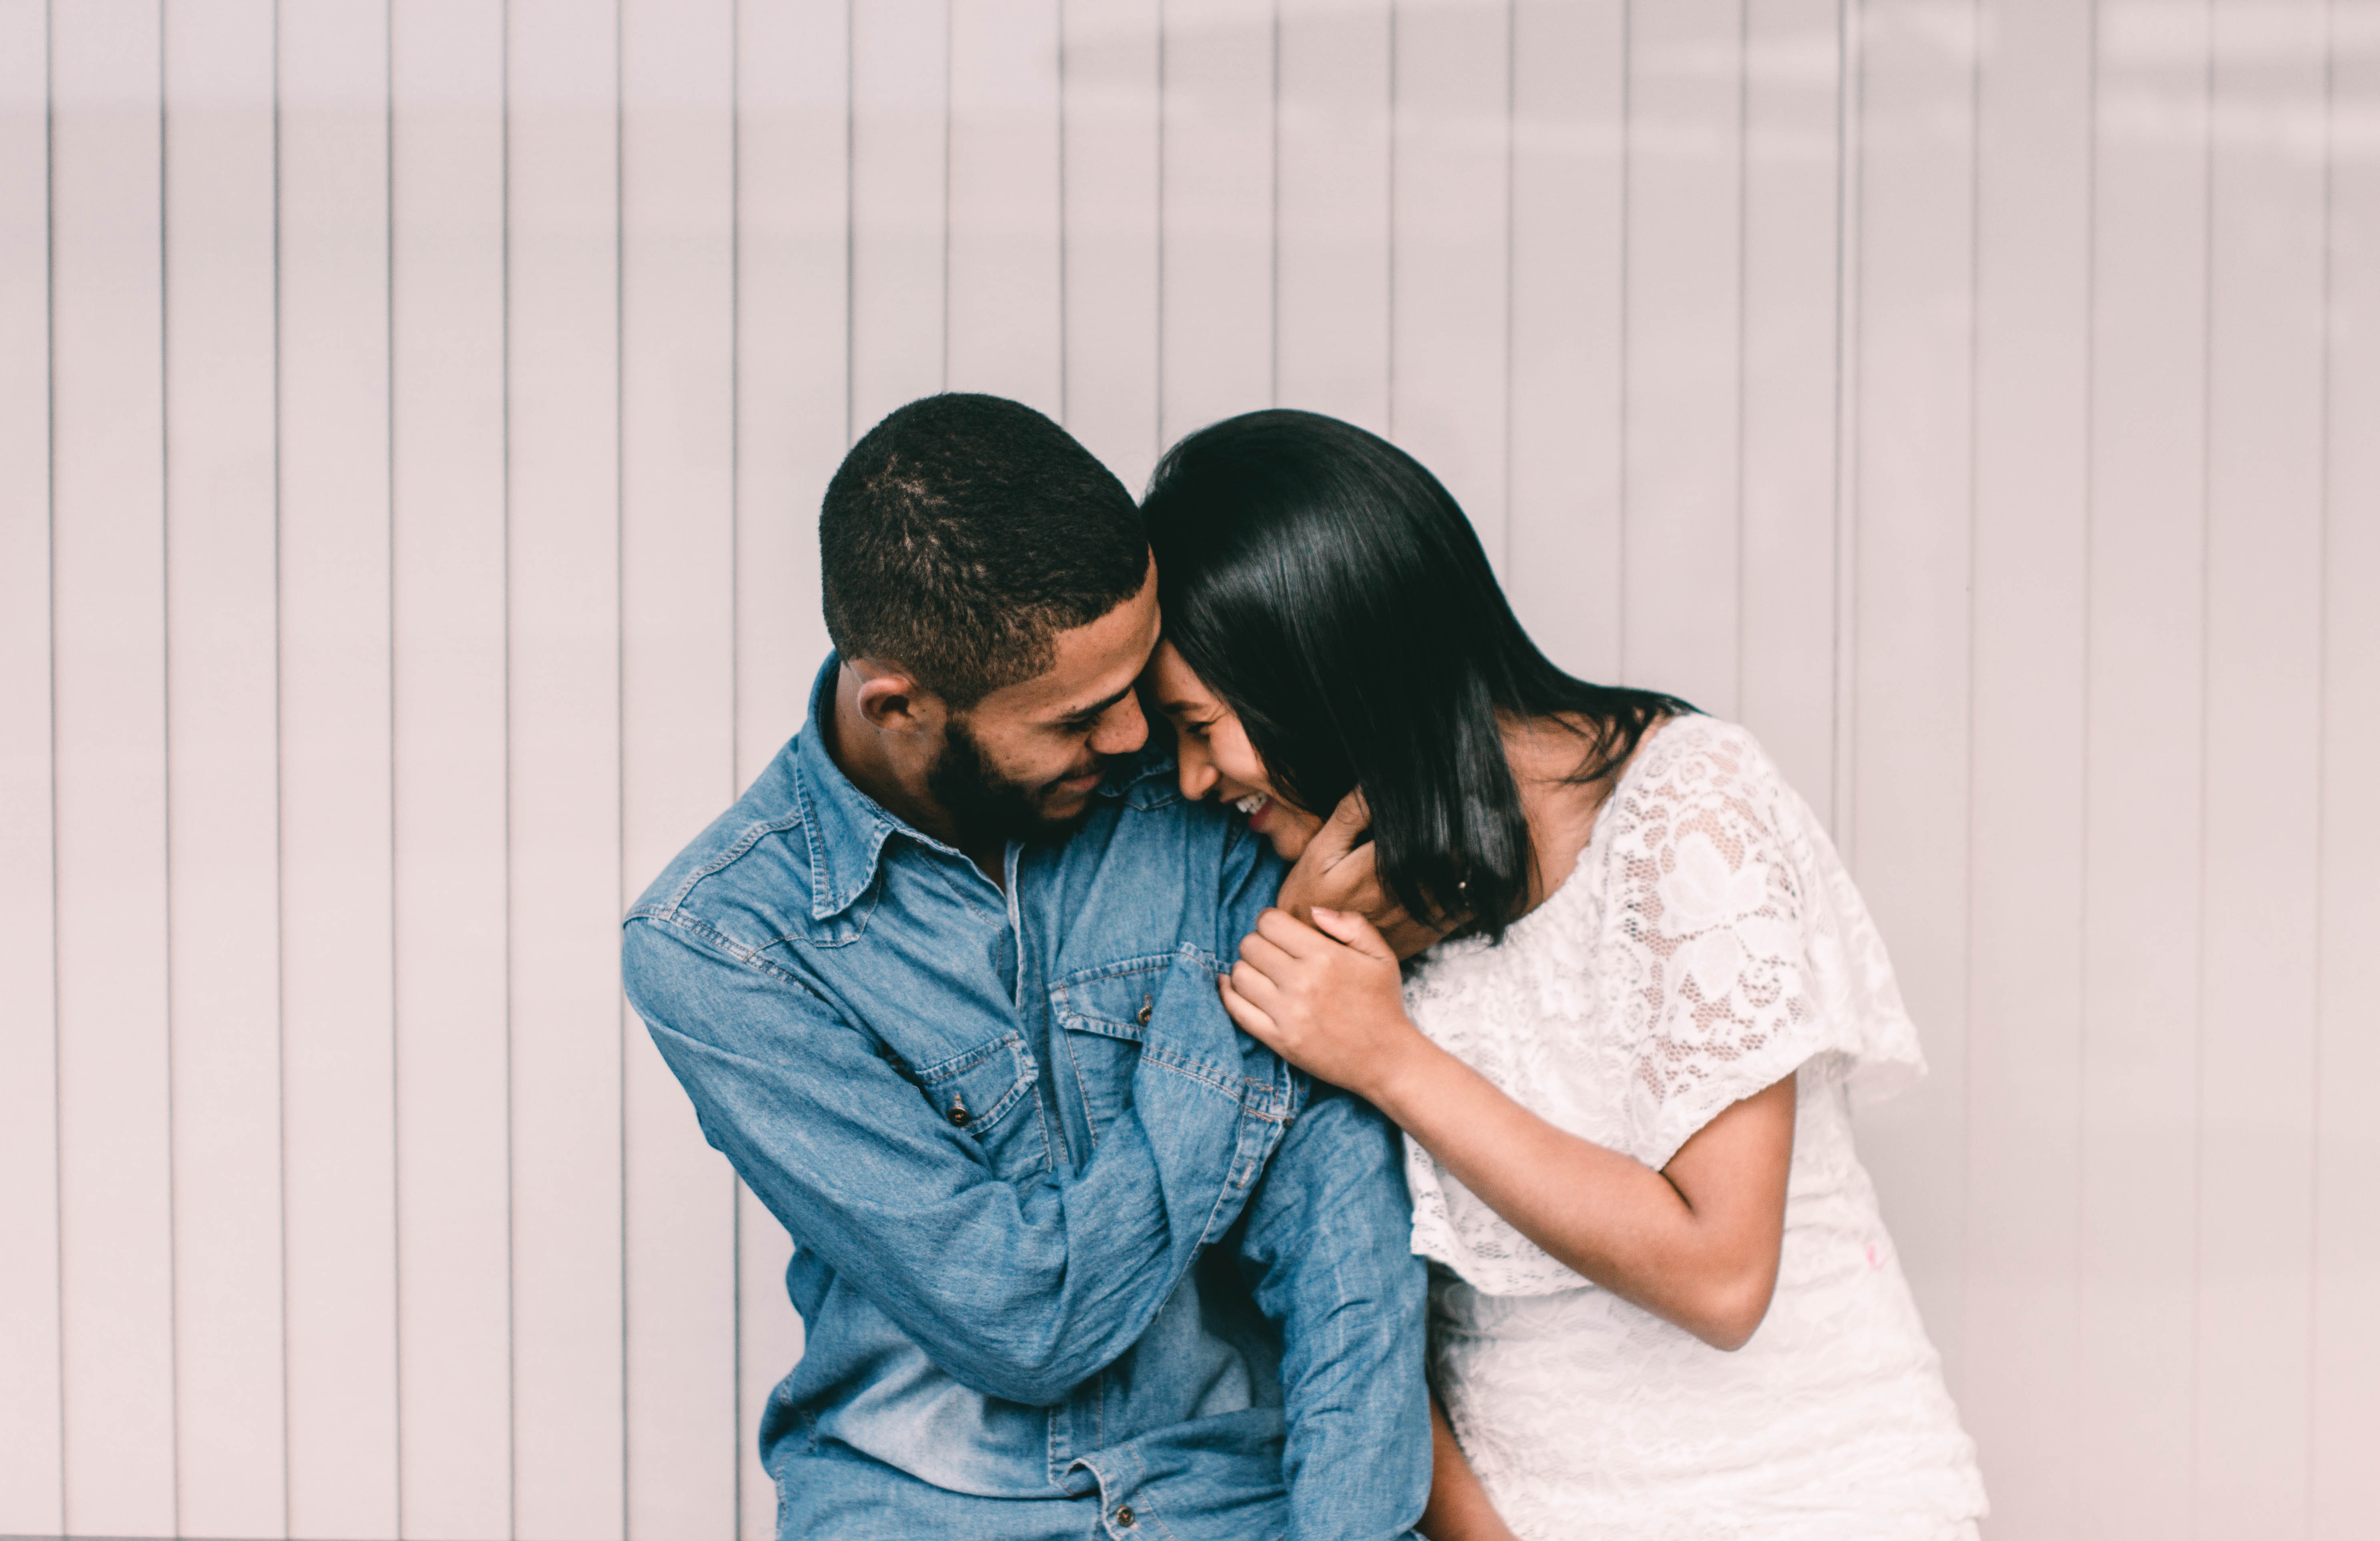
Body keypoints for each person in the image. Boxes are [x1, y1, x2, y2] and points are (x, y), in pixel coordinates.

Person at [1137, 409, 1990, 1541]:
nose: (1194, 780)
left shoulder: (1685, 807)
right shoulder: (1316, 901)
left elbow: (1720, 1276)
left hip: (1815, 1493)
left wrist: (1387, 1057)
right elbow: (1333, 1309)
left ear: (1319, 670)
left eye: (1202, 725)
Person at [620, 394, 1430, 1540]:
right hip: (920, 1510)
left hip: (1225, 1495)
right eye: (1078, 718)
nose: (1136, 743)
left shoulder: (1191, 791)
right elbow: (1024, 1321)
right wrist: (1238, 1001)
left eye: (1138, 685)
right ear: (899, 706)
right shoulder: (724, 947)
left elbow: (1340, 1229)